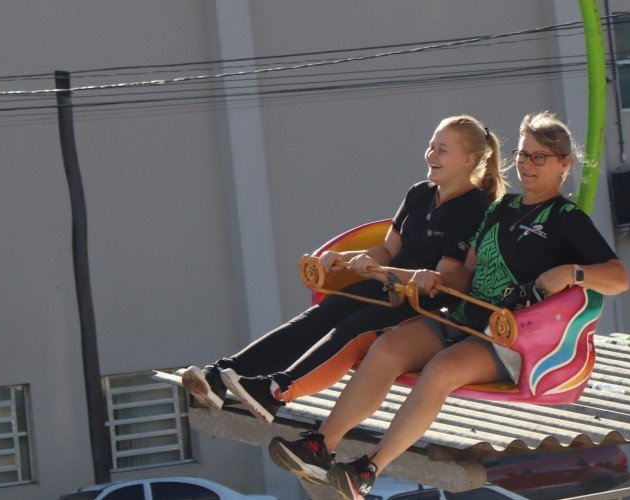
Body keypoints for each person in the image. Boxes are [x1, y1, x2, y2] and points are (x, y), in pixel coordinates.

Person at [268, 111, 630, 499]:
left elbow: (618, 278)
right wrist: (434, 279)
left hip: (508, 338)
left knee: (441, 370)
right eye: (523, 155)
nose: (527, 164)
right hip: (462, 317)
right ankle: (321, 445)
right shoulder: (499, 209)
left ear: (563, 163)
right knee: (386, 347)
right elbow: (465, 275)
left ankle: (369, 468)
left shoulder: (566, 218)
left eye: (539, 156)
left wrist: (571, 272)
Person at [181, 115, 504, 429]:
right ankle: (223, 374)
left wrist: (380, 270)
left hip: (419, 305)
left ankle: (277, 390)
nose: (431, 154)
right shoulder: (419, 193)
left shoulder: (475, 208)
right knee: (320, 315)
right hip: (386, 286)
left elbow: (442, 279)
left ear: (468, 160)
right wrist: (344, 257)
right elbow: (389, 250)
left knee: (352, 327)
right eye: (431, 145)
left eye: (442, 149)